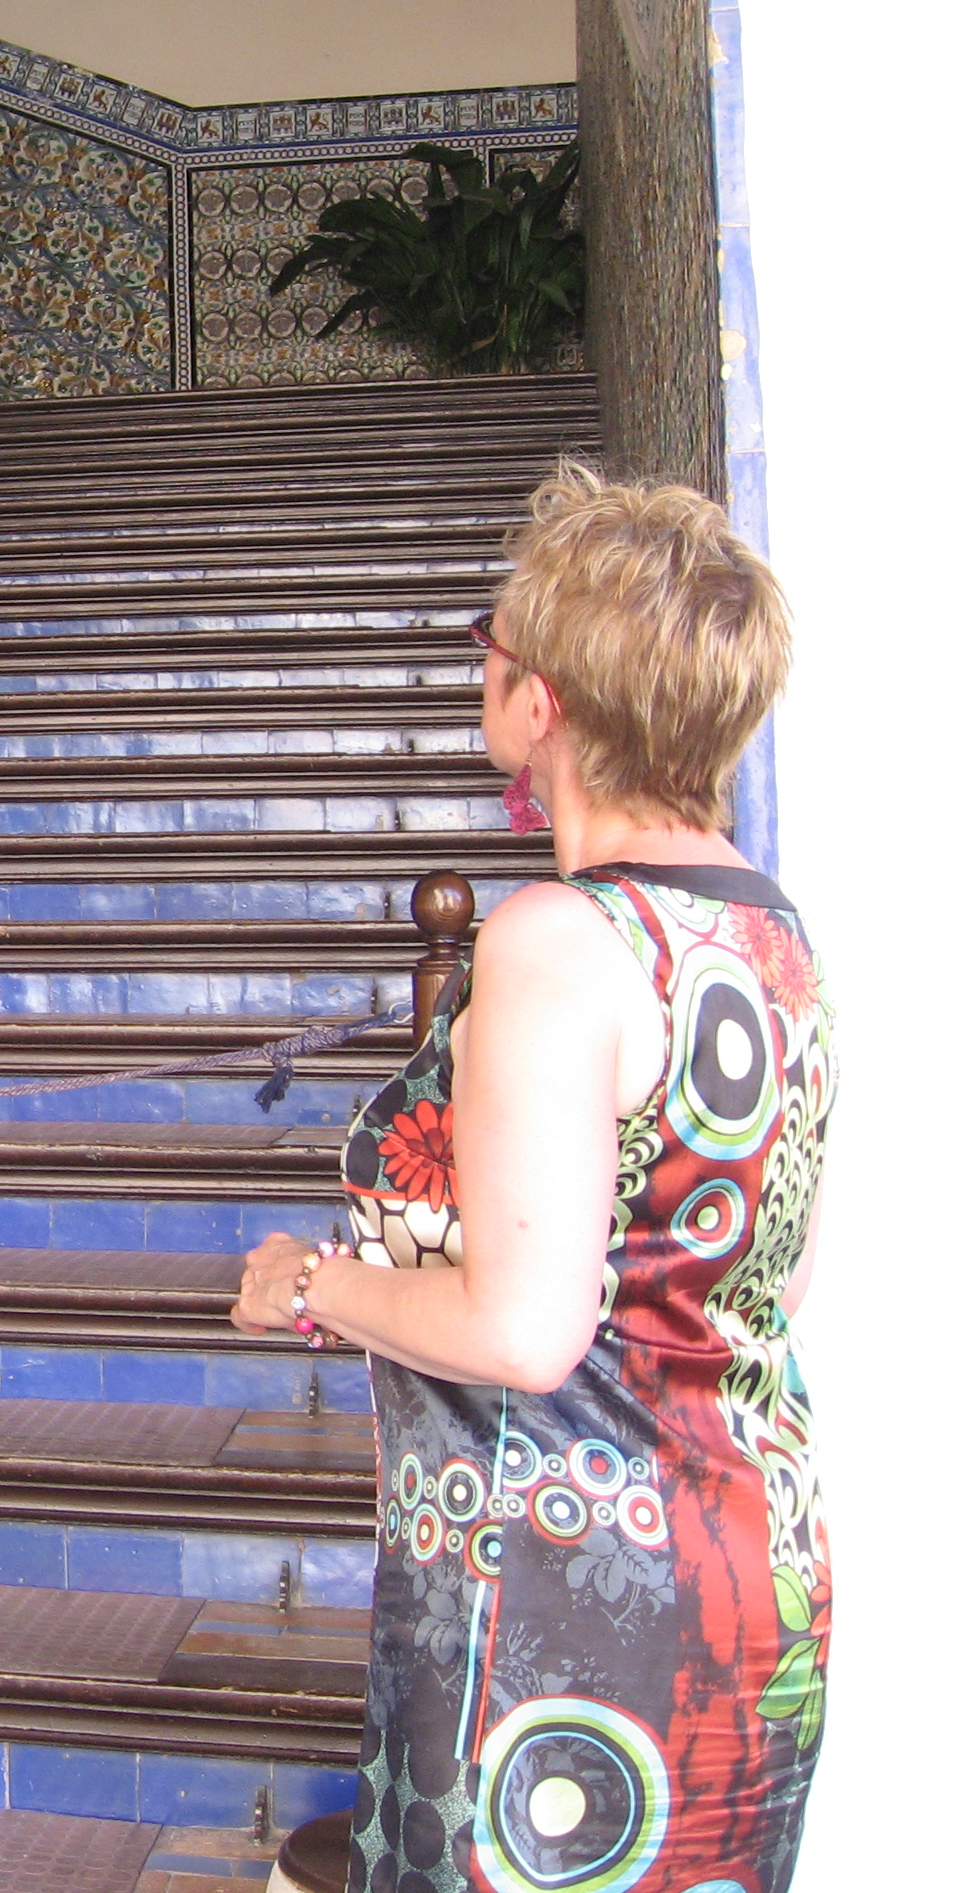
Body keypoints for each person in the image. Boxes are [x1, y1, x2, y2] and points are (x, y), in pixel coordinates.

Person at [234, 464, 831, 1893]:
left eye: (491, 641)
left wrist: (312, 1286)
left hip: (565, 1619)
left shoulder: (561, 944)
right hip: (753, 1576)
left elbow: (524, 1331)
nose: (479, 664)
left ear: (547, 699)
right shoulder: (769, 936)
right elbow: (763, 1283)